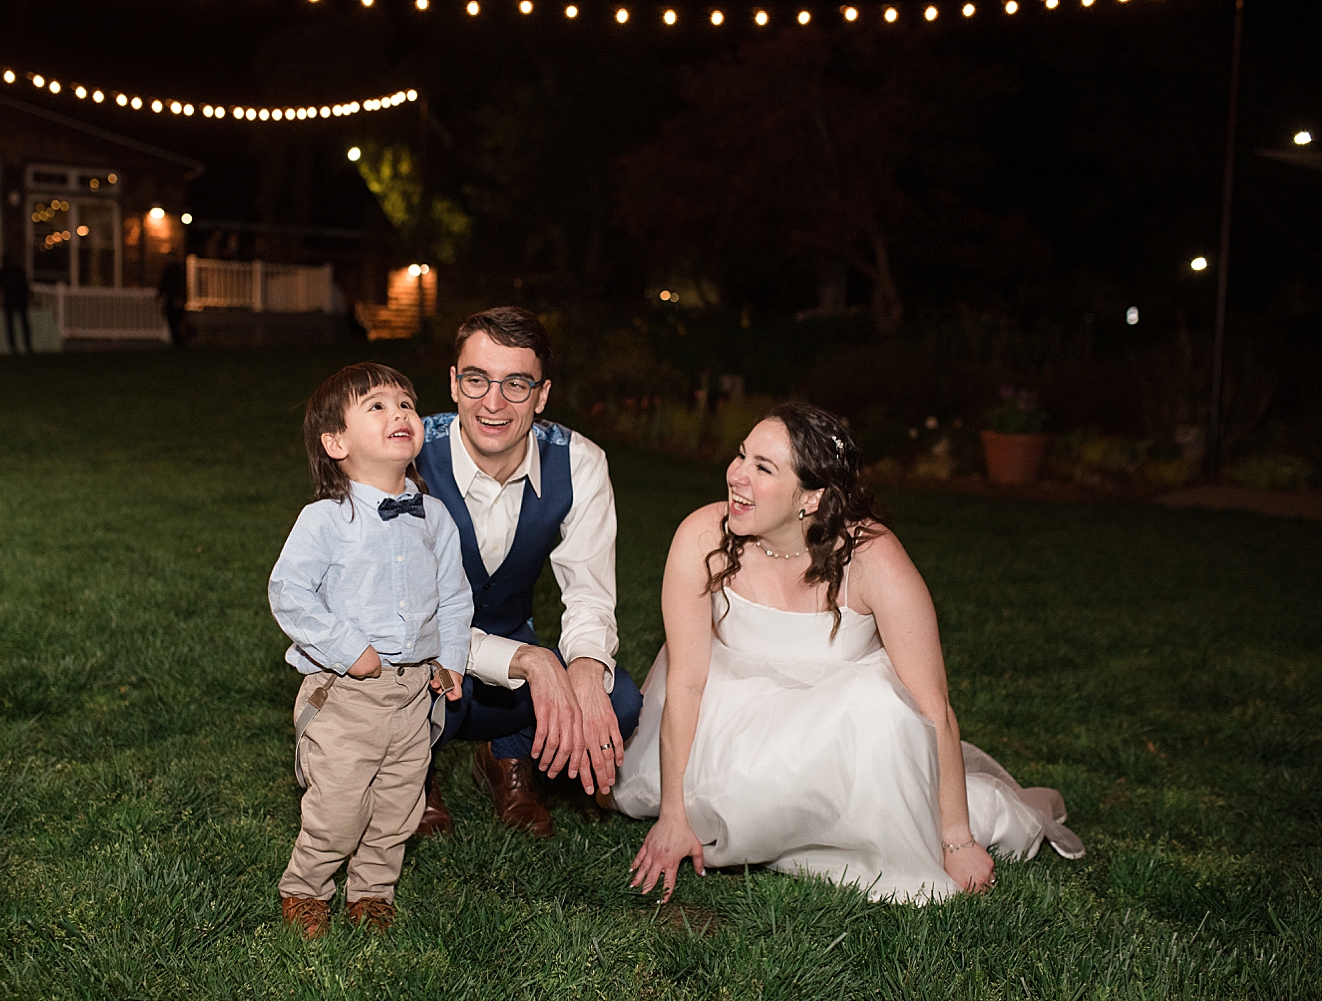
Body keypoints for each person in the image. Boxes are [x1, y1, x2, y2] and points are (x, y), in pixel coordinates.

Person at [613, 403, 1084, 904]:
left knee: (881, 706)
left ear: (811, 497)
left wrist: (957, 839)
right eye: (741, 455)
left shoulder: (871, 557)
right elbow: (686, 681)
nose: (736, 475)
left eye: (762, 468)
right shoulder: (703, 536)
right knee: (707, 802)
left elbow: (933, 705)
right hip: (725, 728)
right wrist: (672, 816)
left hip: (843, 741)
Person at [414, 307, 642, 838]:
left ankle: (507, 757)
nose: (493, 404)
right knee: (396, 676)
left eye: (516, 384)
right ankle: (414, 774)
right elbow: (403, 617)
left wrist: (584, 668)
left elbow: (589, 592)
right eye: (477, 380)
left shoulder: (579, 460)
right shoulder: (408, 454)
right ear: (453, 383)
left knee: (617, 699)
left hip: (511, 665)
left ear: (541, 395)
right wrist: (528, 660)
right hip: (420, 655)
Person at [268, 362, 474, 938]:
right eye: (377, 406)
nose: (399, 414)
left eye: (406, 404)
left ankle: (373, 892)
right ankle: (307, 886)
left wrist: (451, 658)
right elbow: (289, 592)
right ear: (336, 442)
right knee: (338, 808)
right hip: (347, 696)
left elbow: (455, 598)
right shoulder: (326, 520)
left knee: (397, 806)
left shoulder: (434, 518)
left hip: (414, 696)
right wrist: (347, 647)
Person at [0, 262, 32, 355]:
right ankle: (25, 346)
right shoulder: (18, 272)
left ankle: (15, 347)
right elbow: (26, 286)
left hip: (12, 301)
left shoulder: (5, 272)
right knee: (22, 323)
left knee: (13, 324)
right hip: (18, 300)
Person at [157, 260, 188, 347]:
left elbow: (165, 284)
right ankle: (177, 339)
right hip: (171, 300)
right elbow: (163, 284)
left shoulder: (177, 275)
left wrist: (179, 298)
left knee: (176, 320)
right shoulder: (172, 273)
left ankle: (179, 339)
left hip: (175, 299)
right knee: (172, 320)